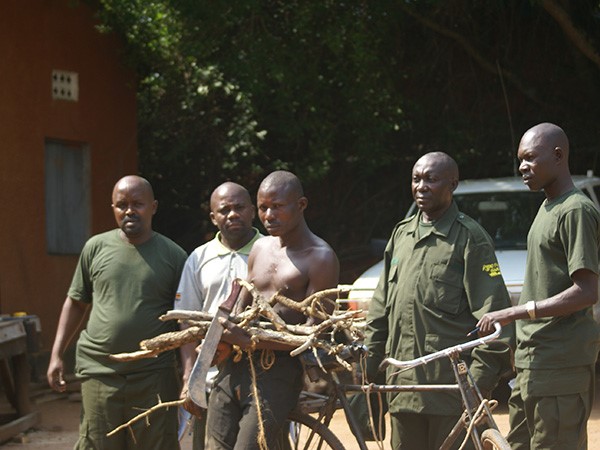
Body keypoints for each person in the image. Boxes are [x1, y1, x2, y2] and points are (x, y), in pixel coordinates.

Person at [363, 152, 514, 450]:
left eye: (431, 179)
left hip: (451, 394)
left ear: (452, 184)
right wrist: (367, 366)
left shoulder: (470, 238)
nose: (421, 186)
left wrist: (478, 385)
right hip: (402, 387)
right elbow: (380, 310)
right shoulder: (401, 235)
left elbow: (495, 319)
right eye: (416, 179)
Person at [477, 123, 600, 450]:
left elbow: (587, 291)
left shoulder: (576, 210)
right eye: (520, 160)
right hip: (533, 362)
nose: (521, 167)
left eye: (530, 158)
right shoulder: (548, 207)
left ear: (558, 156)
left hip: (561, 365)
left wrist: (517, 312)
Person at [46, 175, 188, 449]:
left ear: (154, 206)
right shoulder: (95, 248)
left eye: (138, 203)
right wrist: (56, 355)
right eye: (122, 204)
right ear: (112, 207)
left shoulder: (174, 255)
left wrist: (186, 374)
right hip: (99, 372)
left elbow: (184, 321)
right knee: (97, 443)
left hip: (153, 375)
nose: (129, 210)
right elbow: (76, 302)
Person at [203, 170, 340, 449]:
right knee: (214, 445)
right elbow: (243, 304)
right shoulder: (260, 248)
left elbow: (312, 335)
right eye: (263, 208)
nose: (268, 215)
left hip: (278, 371)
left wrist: (249, 339)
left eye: (277, 207)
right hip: (236, 364)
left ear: (301, 205)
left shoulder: (321, 258)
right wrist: (227, 332)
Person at [176, 182, 262, 448]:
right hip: (212, 378)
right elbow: (187, 321)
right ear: (213, 217)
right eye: (224, 210)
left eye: (239, 208)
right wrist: (191, 375)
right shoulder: (199, 258)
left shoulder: (273, 251)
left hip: (262, 374)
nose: (232, 214)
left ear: (252, 211)